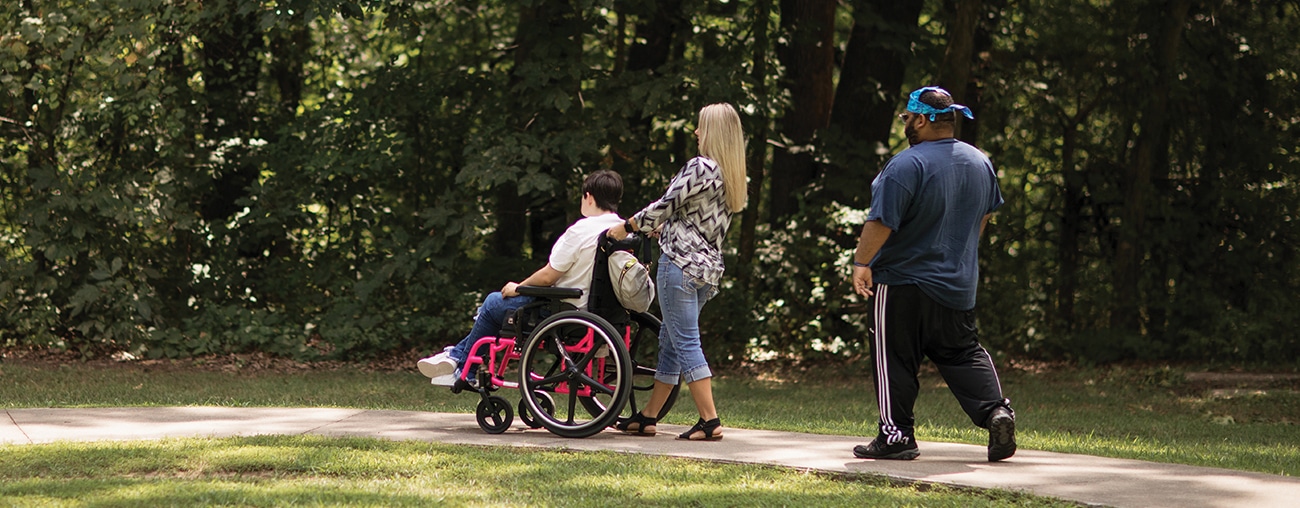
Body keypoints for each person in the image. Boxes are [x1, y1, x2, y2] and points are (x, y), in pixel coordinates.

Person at [849, 86, 1016, 462]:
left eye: (907, 118)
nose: (906, 125)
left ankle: (896, 436)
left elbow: (881, 221)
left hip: (902, 282)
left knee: (895, 356)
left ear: (921, 119)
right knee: (961, 352)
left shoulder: (906, 164)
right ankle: (996, 412)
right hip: (957, 283)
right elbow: (984, 217)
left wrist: (861, 263)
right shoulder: (979, 162)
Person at [607, 103, 747, 441]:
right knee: (670, 341)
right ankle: (648, 417)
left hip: (680, 266)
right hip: (707, 271)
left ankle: (709, 420)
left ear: (712, 131)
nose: (697, 133)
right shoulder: (731, 174)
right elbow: (693, 220)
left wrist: (628, 226)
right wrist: (665, 228)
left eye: (701, 127)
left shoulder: (700, 166)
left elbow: (665, 205)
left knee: (685, 341)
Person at [417, 170, 626, 388]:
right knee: (496, 307)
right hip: (603, 316)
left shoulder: (581, 231)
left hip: (564, 312)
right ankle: (455, 357)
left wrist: (519, 288)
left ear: (589, 197)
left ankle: (462, 366)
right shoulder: (623, 232)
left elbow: (548, 276)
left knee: (492, 304)